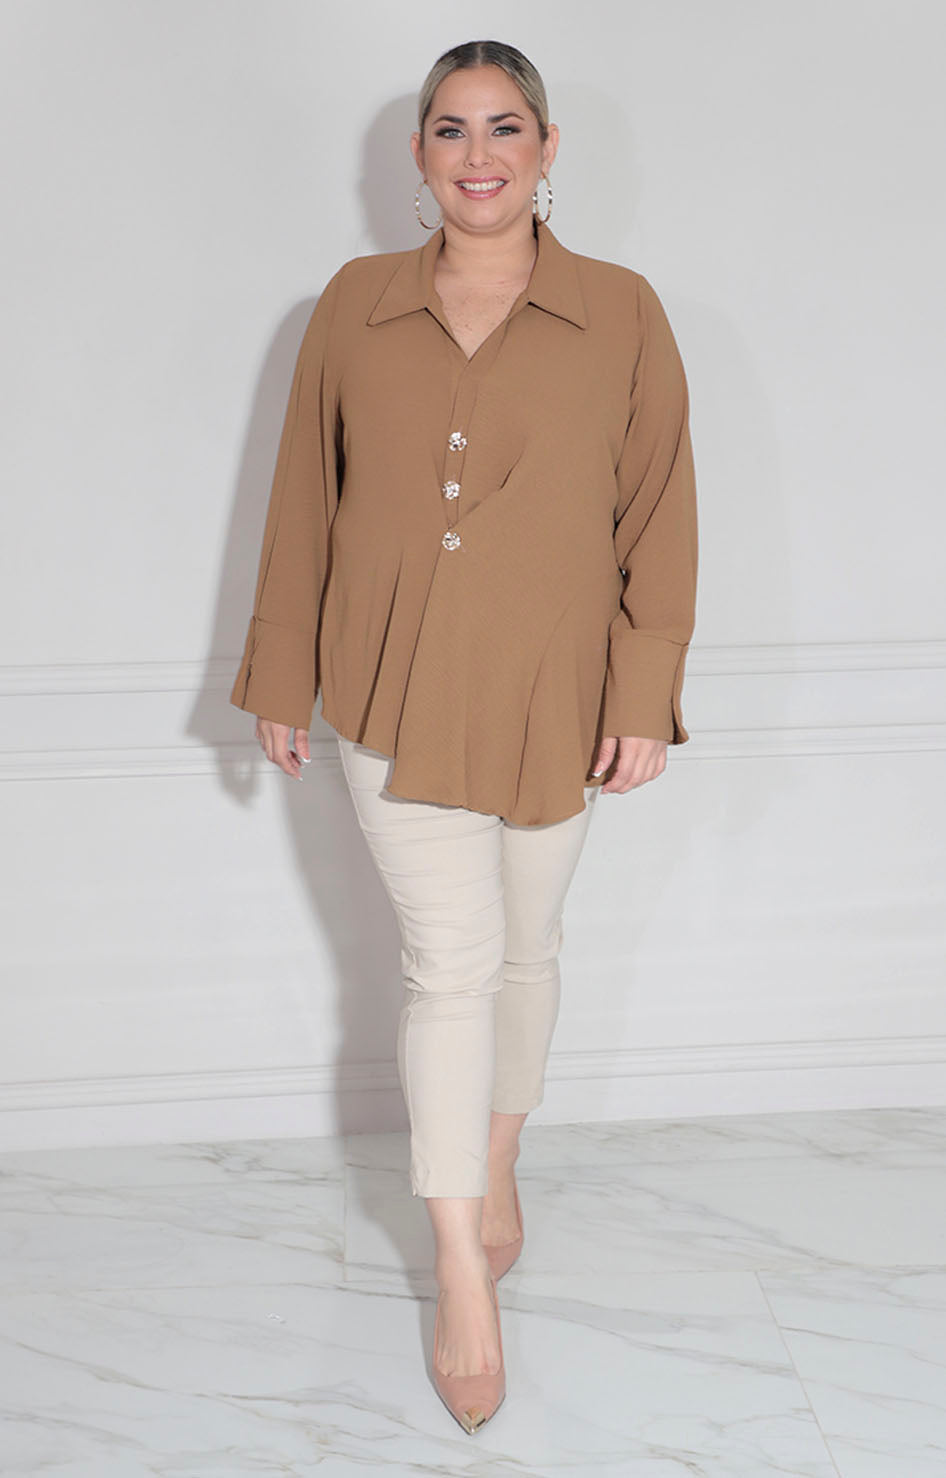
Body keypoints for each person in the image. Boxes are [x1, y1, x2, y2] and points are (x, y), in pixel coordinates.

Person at [230, 39, 698, 1435]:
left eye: (504, 128)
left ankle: (497, 1158)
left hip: (559, 695)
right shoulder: (351, 305)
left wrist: (642, 695)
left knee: (528, 949)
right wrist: (281, 669)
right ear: (417, 156)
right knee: (451, 967)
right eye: (450, 129)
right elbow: (302, 498)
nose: (477, 154)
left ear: (547, 151)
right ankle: (457, 1273)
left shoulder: (622, 311)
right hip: (387, 689)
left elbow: (658, 510)